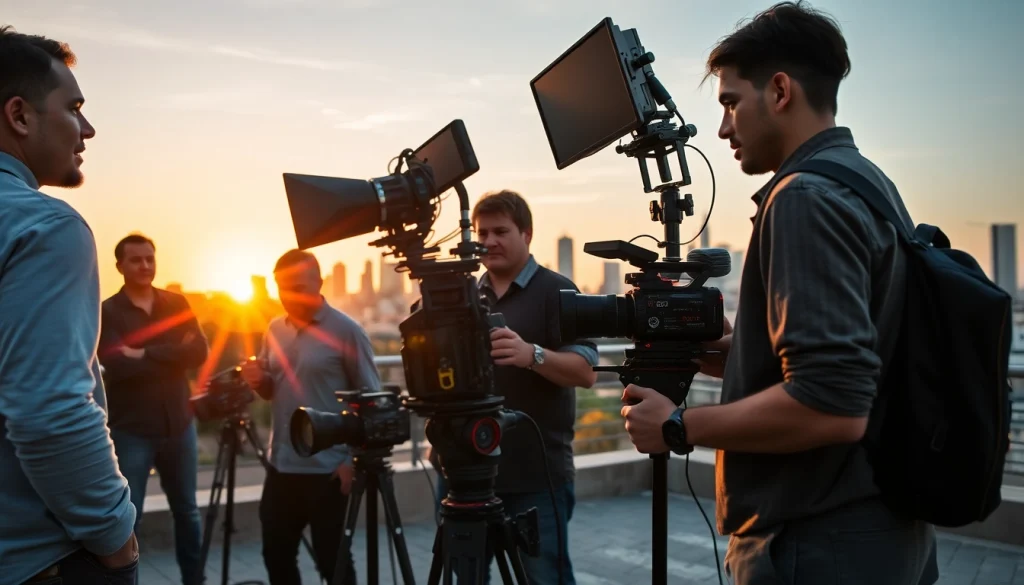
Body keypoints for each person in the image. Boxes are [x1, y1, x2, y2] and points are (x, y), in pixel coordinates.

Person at [619, 3, 940, 584]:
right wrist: (739, 351)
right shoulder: (865, 180)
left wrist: (678, 425)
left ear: (781, 91)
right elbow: (863, 349)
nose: (722, 129)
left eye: (731, 102)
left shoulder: (803, 196)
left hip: (818, 541)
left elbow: (833, 405)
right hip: (883, 527)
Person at [0, 25, 140, 585]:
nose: (88, 129)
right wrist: (115, 538)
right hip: (37, 561)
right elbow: (50, 412)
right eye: (74, 108)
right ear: (20, 115)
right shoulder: (45, 226)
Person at [430, 189, 598, 585]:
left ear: (527, 233)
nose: (489, 241)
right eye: (481, 232)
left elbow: (585, 372)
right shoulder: (462, 295)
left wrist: (531, 354)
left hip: (536, 479)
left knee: (543, 579)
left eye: (500, 231)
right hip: (462, 472)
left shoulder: (559, 290)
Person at [240, 249, 379, 585]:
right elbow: (276, 388)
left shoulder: (348, 331)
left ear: (319, 282)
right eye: (283, 289)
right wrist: (260, 381)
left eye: (298, 287)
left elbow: (372, 403)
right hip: (282, 467)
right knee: (276, 556)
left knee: (334, 565)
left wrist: (352, 461)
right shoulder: (274, 328)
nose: (289, 296)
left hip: (329, 472)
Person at [97, 233, 209, 585]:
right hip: (132, 429)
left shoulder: (176, 304)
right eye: (136, 260)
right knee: (131, 518)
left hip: (179, 424)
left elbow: (199, 353)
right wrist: (170, 354)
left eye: (149, 258)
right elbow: (116, 363)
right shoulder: (107, 312)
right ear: (120, 266)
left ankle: (195, 580)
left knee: (188, 512)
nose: (145, 265)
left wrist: (144, 352)